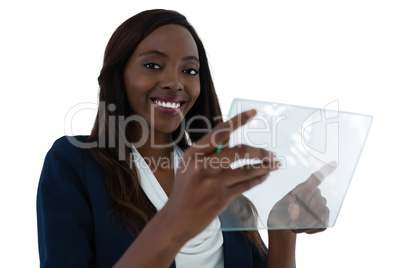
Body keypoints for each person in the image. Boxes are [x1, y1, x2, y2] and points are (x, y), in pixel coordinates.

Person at [37, 9, 328, 268]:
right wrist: (175, 220)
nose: (175, 83)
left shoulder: (214, 173)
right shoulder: (75, 162)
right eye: (152, 65)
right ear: (119, 74)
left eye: (189, 70)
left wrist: (284, 233)